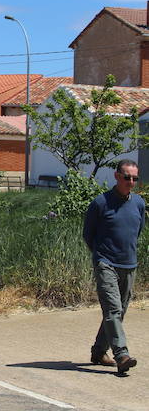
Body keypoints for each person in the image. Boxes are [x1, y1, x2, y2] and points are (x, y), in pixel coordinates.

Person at [83, 159, 145, 373]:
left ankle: (99, 351)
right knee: (113, 309)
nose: (131, 181)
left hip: (129, 264)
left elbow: (137, 232)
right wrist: (101, 257)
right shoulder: (100, 203)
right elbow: (88, 235)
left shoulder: (138, 203)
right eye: (127, 177)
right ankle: (122, 355)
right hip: (106, 263)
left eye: (134, 178)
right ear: (116, 176)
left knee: (117, 313)